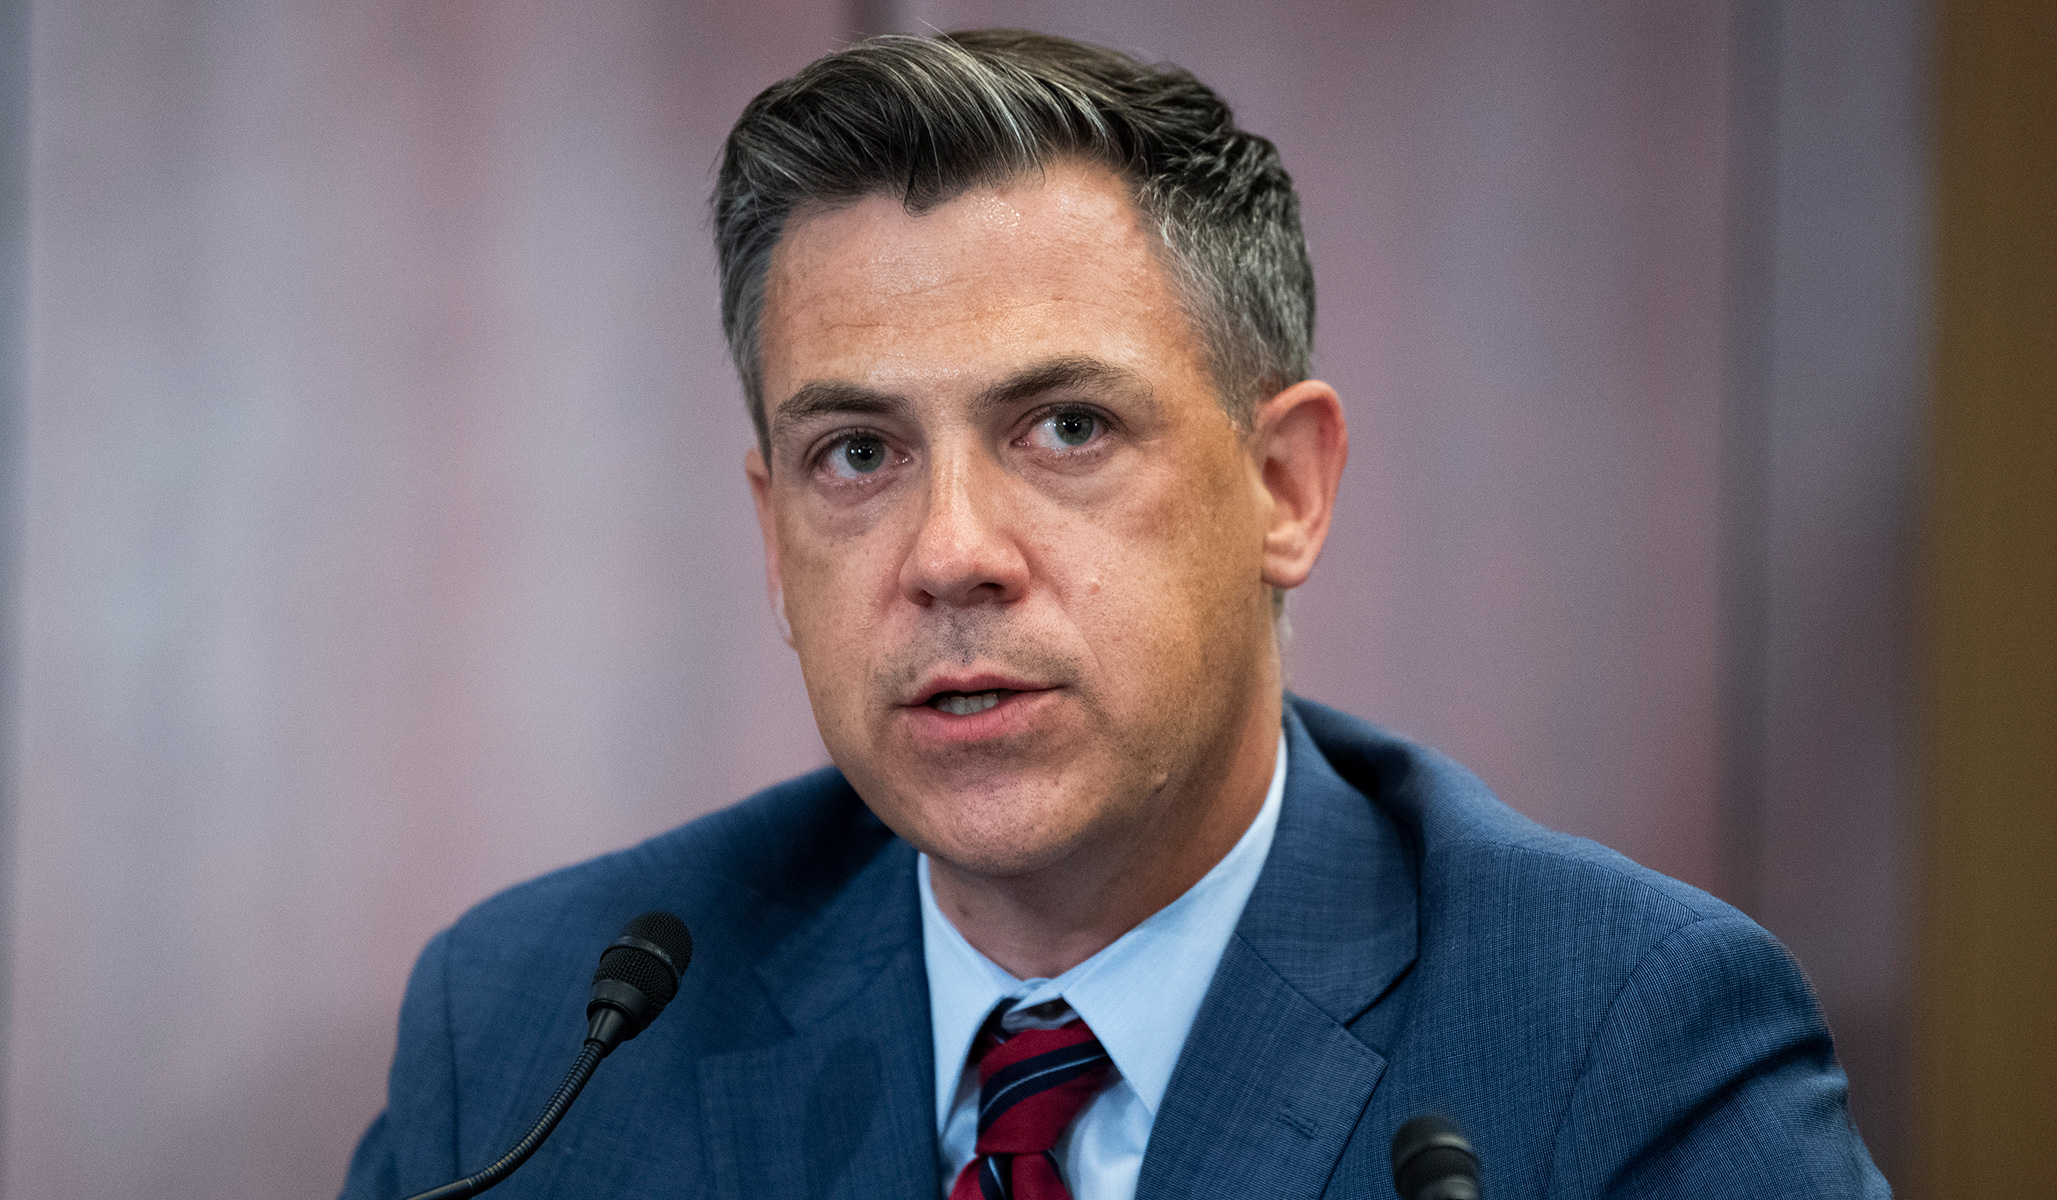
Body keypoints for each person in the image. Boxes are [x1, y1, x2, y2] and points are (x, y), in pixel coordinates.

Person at [341, 29, 1887, 1200]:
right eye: (858, 454)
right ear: (773, 536)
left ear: (1282, 488)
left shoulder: (1616, 1043)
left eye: (1065, 428)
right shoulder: (542, 1028)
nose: (950, 554)